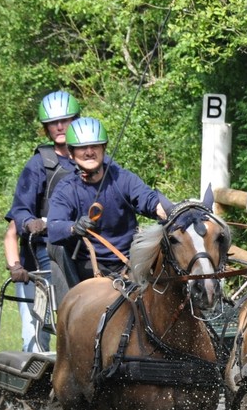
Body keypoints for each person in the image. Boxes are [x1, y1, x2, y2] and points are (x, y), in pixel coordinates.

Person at [47, 116, 169, 303]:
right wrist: (74, 227)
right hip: (88, 270)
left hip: (132, 264)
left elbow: (151, 201)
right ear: (71, 154)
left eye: (95, 146)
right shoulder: (66, 189)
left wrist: (173, 211)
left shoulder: (123, 178)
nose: (89, 152)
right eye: (82, 148)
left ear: (103, 148)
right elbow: (54, 228)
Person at [3, 90, 80, 352]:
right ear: (46, 128)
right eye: (53, 122)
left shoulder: (91, 160)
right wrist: (31, 224)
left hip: (85, 248)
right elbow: (18, 216)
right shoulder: (38, 165)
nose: (59, 126)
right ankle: (35, 381)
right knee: (35, 335)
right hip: (43, 254)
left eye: (66, 120)